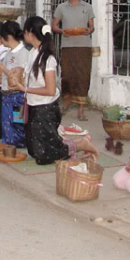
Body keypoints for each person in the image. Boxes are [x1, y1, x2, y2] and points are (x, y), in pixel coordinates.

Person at [11, 16, 99, 165]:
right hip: (32, 105)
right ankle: (68, 142)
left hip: (45, 108)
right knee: (33, 150)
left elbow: (50, 91)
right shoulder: (32, 52)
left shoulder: (47, 59)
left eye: (25, 32)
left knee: (44, 156)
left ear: (30, 33)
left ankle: (80, 145)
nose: (24, 35)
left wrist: (24, 88)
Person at [51, 0, 95, 121]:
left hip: (83, 46)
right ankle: (66, 103)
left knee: (82, 76)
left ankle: (81, 110)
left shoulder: (87, 7)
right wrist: (62, 31)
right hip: (67, 46)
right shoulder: (61, 7)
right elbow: (54, 26)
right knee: (67, 76)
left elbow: (91, 27)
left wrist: (87, 30)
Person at [0, 21, 29, 147]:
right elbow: (3, 76)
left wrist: (2, 69)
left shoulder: (23, 54)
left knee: (17, 125)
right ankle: (9, 147)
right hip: (6, 95)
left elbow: (18, 79)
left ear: (8, 37)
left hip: (17, 96)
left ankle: (17, 148)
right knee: (7, 125)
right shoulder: (9, 52)